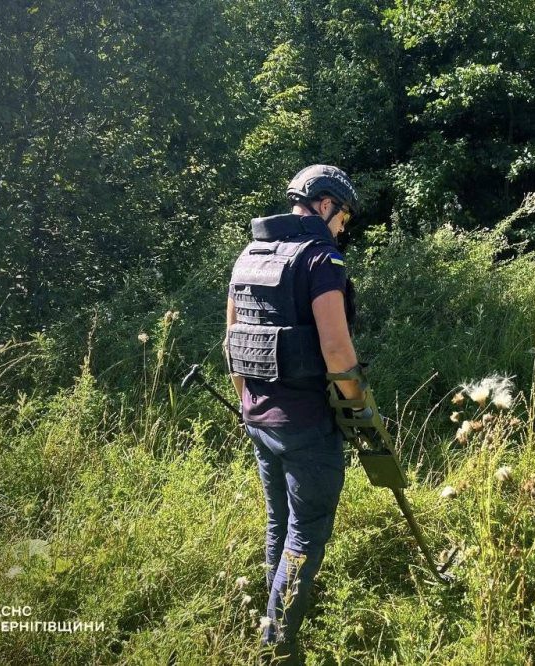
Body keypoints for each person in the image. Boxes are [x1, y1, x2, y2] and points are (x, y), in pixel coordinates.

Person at [225, 164, 365, 664]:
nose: (343, 227)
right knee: (306, 530)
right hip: (307, 424)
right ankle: (278, 645)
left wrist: (247, 406)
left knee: (279, 522)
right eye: (343, 216)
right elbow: (337, 351)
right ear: (325, 205)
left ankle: (276, 611)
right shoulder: (322, 259)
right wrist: (359, 407)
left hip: (258, 416)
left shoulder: (250, 255)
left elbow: (231, 343)